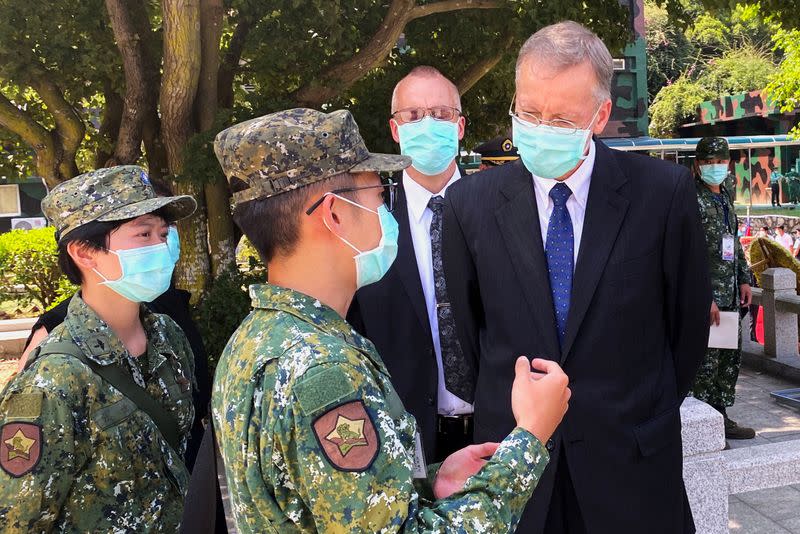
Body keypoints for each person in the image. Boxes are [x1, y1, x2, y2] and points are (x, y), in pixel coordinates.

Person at [211, 108, 571, 532]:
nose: (386, 210)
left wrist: (430, 479)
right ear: (335, 214)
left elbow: (329, 503)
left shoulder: (255, 339)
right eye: (377, 195)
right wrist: (528, 440)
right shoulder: (322, 371)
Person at [443, 21, 711, 533]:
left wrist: (636, 409)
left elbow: (686, 329)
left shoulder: (662, 194)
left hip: (630, 464)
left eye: (562, 118)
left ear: (600, 115)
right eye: (529, 112)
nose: (541, 127)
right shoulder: (469, 205)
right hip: (518, 470)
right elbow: (470, 334)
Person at [0, 165, 197, 532]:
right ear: (84, 253)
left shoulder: (168, 336)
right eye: (143, 233)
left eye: (164, 232)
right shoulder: (52, 380)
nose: (163, 246)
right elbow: (17, 521)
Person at [348, 66, 474, 463]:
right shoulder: (369, 227)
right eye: (414, 116)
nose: (428, 124)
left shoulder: (502, 211)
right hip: (407, 437)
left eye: (441, 114)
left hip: (497, 428)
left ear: (460, 126)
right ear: (394, 129)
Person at [690, 136, 755, 442]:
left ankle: (721, 418)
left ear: (728, 164)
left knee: (727, 360)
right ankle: (704, 429)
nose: (714, 167)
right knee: (706, 362)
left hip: (729, 294)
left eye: (720, 161)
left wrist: (744, 278)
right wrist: (703, 296)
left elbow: (735, 244)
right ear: (697, 164)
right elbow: (688, 253)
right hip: (708, 297)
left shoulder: (725, 196)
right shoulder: (691, 199)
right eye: (708, 161)